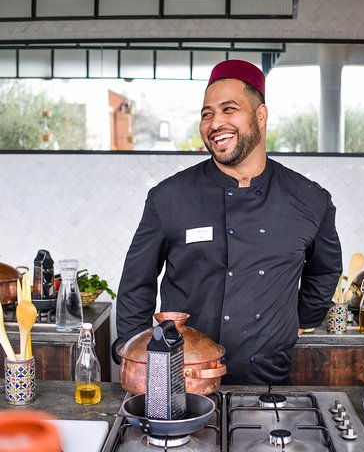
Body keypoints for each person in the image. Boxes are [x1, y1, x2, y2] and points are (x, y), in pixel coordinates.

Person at [113, 59, 343, 385]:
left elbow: (325, 269)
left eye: (228, 109)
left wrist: (303, 317)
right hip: (181, 383)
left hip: (268, 385)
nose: (215, 122)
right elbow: (137, 283)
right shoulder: (169, 197)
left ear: (260, 116)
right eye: (207, 114)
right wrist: (134, 353)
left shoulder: (309, 199)